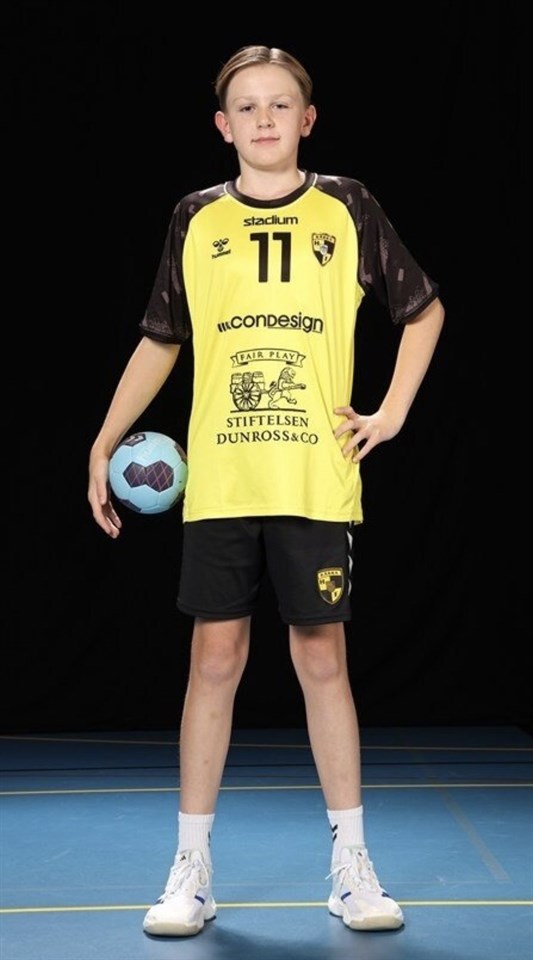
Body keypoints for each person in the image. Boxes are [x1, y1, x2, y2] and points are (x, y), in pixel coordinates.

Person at [88, 44, 445, 939]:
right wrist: (101, 442)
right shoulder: (195, 216)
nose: (263, 119)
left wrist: (391, 412)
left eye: (280, 104)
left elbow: (423, 310)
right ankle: (190, 871)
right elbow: (162, 337)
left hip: (313, 476)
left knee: (322, 660)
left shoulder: (347, 205)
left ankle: (352, 869)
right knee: (213, 661)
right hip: (221, 478)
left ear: (306, 119)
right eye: (246, 106)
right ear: (223, 125)